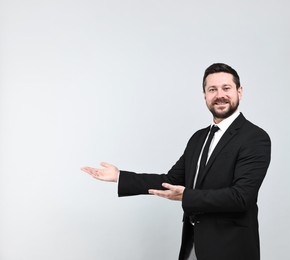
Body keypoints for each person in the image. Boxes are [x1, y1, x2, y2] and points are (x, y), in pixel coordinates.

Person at [81, 63, 271, 260]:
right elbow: (171, 179)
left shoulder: (255, 138)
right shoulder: (198, 138)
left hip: (231, 248)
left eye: (226, 88)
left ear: (239, 91)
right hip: (194, 246)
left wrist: (187, 195)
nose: (219, 95)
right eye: (212, 89)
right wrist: (120, 177)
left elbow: (241, 197)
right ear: (204, 95)